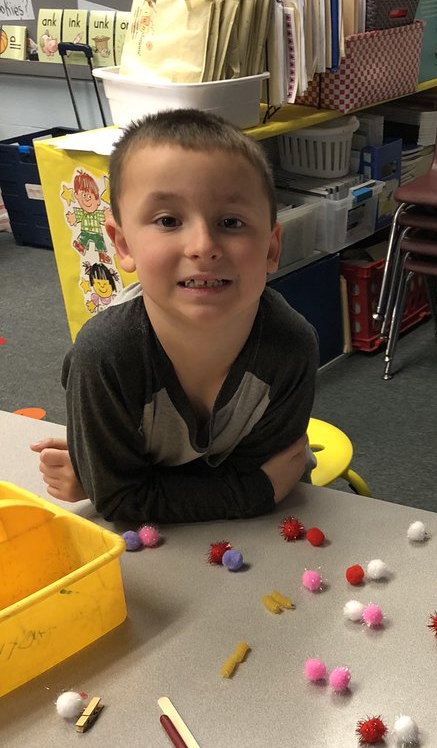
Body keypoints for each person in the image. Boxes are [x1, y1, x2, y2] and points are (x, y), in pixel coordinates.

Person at [31, 108, 319, 525]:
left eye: (231, 222)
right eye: (168, 221)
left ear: (271, 248)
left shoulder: (291, 345)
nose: (202, 246)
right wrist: (257, 491)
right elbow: (121, 501)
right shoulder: (104, 356)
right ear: (122, 244)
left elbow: (122, 493)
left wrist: (107, 480)